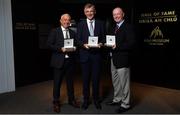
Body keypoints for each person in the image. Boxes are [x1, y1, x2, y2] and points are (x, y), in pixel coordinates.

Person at [47, 13, 80, 113]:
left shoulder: (73, 32)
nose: (66, 21)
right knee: (57, 83)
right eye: (64, 20)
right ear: (61, 21)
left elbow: (77, 44)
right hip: (58, 62)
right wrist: (60, 49)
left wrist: (75, 48)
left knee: (70, 83)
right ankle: (56, 102)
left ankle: (71, 100)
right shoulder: (55, 31)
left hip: (70, 61)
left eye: (68, 20)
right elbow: (49, 44)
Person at [106, 7, 135, 113]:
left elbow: (131, 43)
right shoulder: (113, 27)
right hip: (113, 58)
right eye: (114, 14)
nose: (116, 16)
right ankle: (117, 99)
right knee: (116, 81)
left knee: (124, 83)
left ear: (123, 14)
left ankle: (126, 104)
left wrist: (116, 46)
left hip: (123, 59)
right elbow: (110, 40)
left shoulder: (128, 27)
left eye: (118, 14)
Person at [76, 3, 105, 110]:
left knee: (96, 79)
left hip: (97, 56)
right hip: (85, 56)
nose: (89, 13)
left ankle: (96, 100)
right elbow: (78, 40)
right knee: (85, 80)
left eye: (91, 11)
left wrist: (101, 44)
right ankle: (86, 100)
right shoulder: (80, 25)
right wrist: (83, 45)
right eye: (87, 11)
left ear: (95, 11)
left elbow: (103, 38)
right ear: (84, 13)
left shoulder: (101, 23)